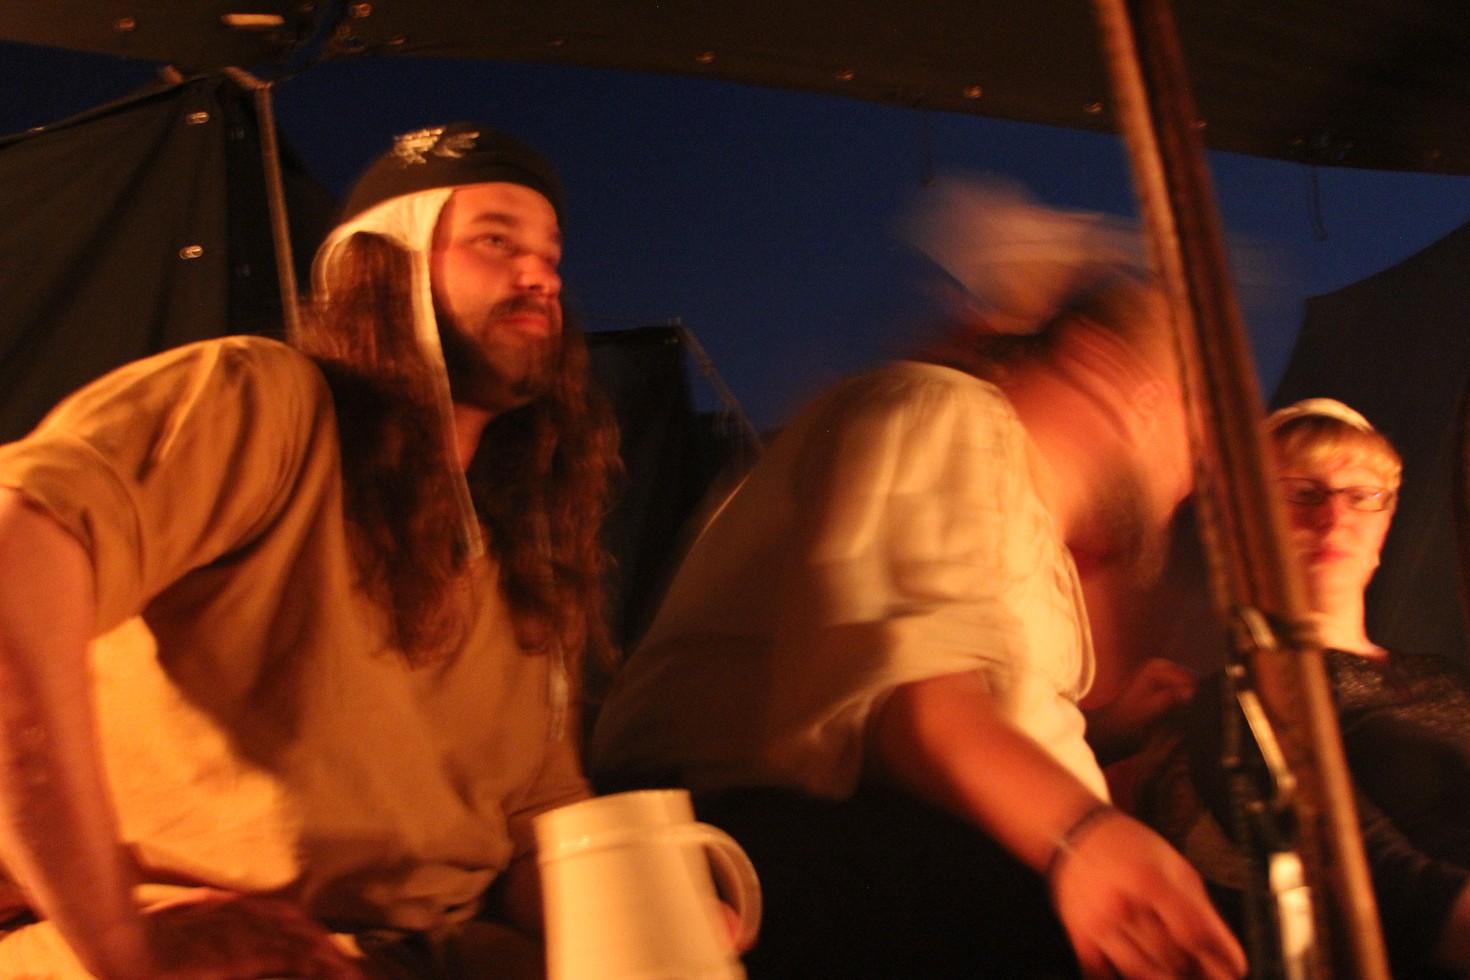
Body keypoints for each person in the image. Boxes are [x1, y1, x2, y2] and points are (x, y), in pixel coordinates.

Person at [0, 122, 619, 978]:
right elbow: (18, 549)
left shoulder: (526, 545)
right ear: (384, 265)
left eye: (551, 254)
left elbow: (536, 821)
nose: (540, 277)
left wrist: (649, 909)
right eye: (494, 241)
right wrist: (116, 936)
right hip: (204, 949)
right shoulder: (261, 404)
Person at [591, 184, 1246, 979]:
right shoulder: (946, 413)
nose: (1193, 476)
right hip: (732, 849)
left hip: (839, 838)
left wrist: (1105, 734)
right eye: (1194, 429)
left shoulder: (1025, 525)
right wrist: (1084, 838)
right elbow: (916, 703)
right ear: (1120, 379)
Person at [1142, 398, 1470, 977]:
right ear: (1244, 522)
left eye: (1362, 495)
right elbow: (1360, 877)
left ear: (1386, 523)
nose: (1334, 516)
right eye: (1301, 492)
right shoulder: (1244, 696)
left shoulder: (1441, 677)